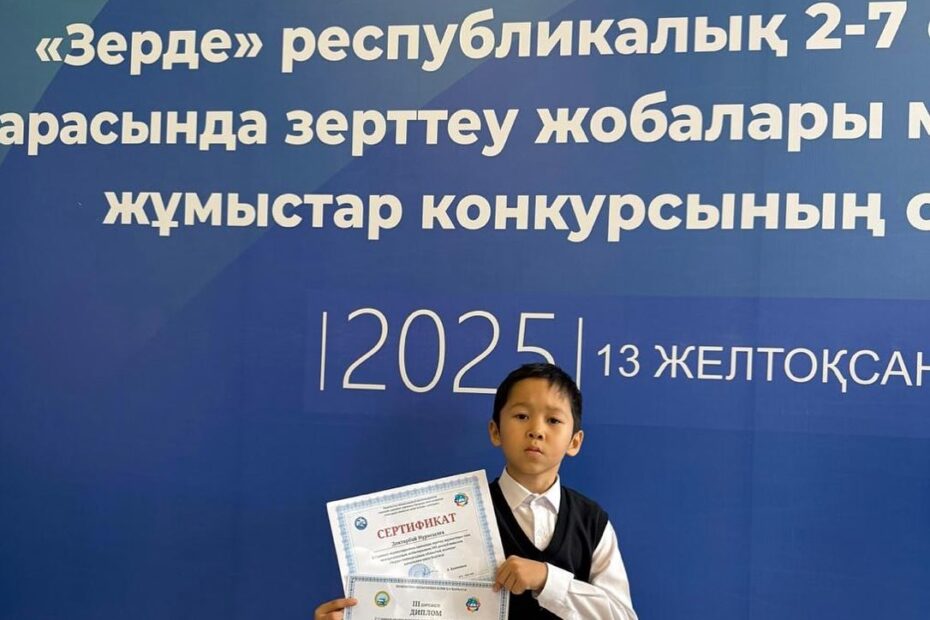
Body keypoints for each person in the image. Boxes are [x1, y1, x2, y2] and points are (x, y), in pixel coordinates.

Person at [314, 363, 637, 620]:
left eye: (553, 420)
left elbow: (622, 615)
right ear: (495, 431)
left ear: (574, 442)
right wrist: (359, 615)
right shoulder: (451, 516)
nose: (536, 430)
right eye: (521, 416)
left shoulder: (592, 522)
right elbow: (413, 605)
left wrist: (546, 579)